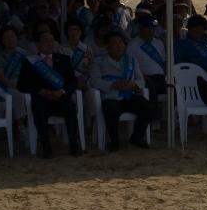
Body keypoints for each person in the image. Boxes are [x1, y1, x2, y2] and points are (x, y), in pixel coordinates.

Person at [20, 29, 81, 158]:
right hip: (42, 98)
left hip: (60, 97)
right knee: (39, 108)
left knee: (70, 107)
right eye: (45, 41)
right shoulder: (30, 62)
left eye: (52, 41)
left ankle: (74, 145)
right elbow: (22, 84)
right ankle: (46, 147)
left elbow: (72, 81)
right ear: (37, 45)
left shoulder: (63, 59)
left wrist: (63, 91)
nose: (49, 43)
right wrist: (41, 91)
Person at [90, 30, 153, 151]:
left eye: (121, 43)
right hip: (111, 96)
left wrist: (133, 84)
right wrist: (114, 85)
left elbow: (141, 80)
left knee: (148, 109)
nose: (119, 46)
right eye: (114, 43)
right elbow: (95, 81)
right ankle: (114, 141)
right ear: (107, 46)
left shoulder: (131, 61)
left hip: (129, 94)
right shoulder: (98, 62)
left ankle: (137, 137)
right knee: (111, 111)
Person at [130, 17, 168, 100]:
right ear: (140, 29)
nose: (150, 30)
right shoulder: (133, 44)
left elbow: (164, 61)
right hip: (145, 78)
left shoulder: (159, 42)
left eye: (152, 28)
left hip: (161, 78)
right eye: (147, 28)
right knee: (152, 89)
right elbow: (130, 65)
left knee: (174, 89)